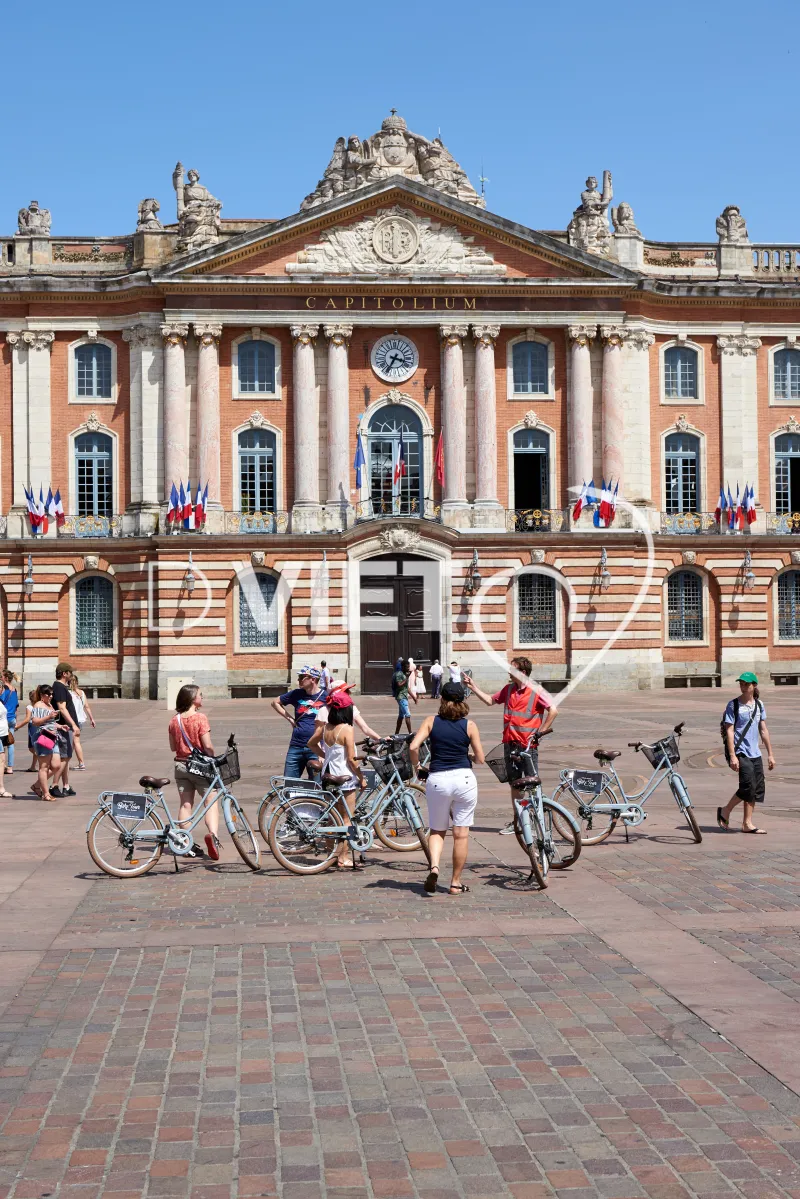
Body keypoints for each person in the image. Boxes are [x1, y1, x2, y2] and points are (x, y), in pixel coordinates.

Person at [410, 681, 485, 895]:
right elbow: (480, 758)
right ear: (462, 701)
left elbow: (414, 746)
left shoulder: (431, 721)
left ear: (442, 699)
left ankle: (434, 866)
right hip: (464, 779)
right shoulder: (469, 725)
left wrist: (417, 766)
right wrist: (468, 755)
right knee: (461, 833)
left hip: (438, 779)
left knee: (437, 830)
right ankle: (455, 883)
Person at [469, 657, 558, 835]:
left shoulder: (536, 690)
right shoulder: (509, 689)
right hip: (510, 744)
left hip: (527, 746)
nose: (509, 671)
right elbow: (489, 701)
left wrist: (540, 732)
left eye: (512, 668)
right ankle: (518, 822)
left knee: (532, 783)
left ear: (523, 673)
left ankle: (536, 821)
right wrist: (473, 687)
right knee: (515, 784)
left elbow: (553, 710)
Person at [307, 690, 364, 869]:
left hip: (328, 775)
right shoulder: (347, 729)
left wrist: (325, 755)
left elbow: (311, 744)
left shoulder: (325, 729)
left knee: (332, 818)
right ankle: (344, 857)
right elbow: (351, 760)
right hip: (344, 777)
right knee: (347, 818)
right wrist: (361, 777)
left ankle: (331, 855)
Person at [168, 683, 222, 860]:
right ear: (192, 698)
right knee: (211, 801)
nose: (202, 697)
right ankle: (213, 836)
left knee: (185, 804)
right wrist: (212, 757)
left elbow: (172, 747)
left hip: (180, 765)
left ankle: (186, 842)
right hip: (199, 767)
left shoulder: (174, 720)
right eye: (200, 694)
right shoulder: (200, 718)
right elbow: (207, 745)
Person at [718, 672, 776, 834]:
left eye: (747, 684)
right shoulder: (733, 705)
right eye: (741, 684)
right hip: (740, 751)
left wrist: (770, 754)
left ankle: (747, 823)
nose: (743, 687)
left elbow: (763, 730)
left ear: (754, 686)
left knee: (756, 788)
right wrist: (732, 756)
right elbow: (729, 731)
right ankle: (726, 810)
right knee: (747, 787)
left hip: (755, 752)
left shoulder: (759, 705)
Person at [272, 666, 327, 778]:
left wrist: (323, 751)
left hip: (316, 748)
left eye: (302, 677)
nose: (299, 680)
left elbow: (331, 724)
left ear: (312, 679)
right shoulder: (297, 694)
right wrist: (290, 719)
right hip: (296, 745)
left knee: (318, 788)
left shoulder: (326, 697)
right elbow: (275, 702)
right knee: (289, 784)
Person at [314, 680, 381, 742]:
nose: (349, 693)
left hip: (349, 750)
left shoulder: (351, 707)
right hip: (329, 752)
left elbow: (365, 728)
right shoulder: (323, 711)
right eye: (345, 691)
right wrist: (321, 754)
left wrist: (380, 739)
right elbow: (317, 737)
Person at [50, 663, 80, 798]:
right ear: (64, 673)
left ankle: (66, 785)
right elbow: (62, 708)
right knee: (65, 757)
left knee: (66, 758)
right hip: (63, 726)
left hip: (64, 726)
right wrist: (73, 724)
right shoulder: (59, 687)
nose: (71, 675)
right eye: (70, 672)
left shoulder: (60, 687)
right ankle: (53, 785)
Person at [29, 685, 63, 801]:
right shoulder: (38, 705)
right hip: (44, 738)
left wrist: (60, 726)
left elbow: (51, 722)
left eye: (52, 694)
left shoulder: (50, 705)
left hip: (53, 737)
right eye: (48, 694)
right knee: (44, 766)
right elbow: (35, 722)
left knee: (56, 765)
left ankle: (37, 785)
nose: (51, 696)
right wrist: (48, 716)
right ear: (42, 695)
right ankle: (46, 794)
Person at [69, 674, 95, 769]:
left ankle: (81, 763)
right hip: (80, 720)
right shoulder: (82, 693)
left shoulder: (68, 693)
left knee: (74, 742)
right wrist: (92, 719)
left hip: (71, 720)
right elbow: (87, 706)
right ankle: (66, 762)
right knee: (74, 742)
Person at [0, 669, 19, 774]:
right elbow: (16, 707)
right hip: (12, 719)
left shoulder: (4, 689)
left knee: (1, 743)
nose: (1, 678)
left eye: (2, 676)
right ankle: (10, 767)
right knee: (10, 742)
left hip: (4, 719)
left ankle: (2, 765)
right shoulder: (14, 689)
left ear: (6, 678)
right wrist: (16, 720)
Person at [393, 658, 417, 735]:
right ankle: (410, 734)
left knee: (401, 716)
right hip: (401, 697)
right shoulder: (399, 674)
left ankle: (396, 733)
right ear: (402, 666)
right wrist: (406, 678)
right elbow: (399, 684)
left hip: (404, 696)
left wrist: (414, 697)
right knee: (407, 714)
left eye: (408, 667)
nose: (408, 668)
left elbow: (407, 688)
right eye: (406, 667)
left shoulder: (404, 674)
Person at [15, 690, 37, 771]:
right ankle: (33, 766)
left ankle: (42, 760)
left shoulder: (29, 707)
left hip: (33, 727)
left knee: (32, 748)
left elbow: (27, 719)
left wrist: (18, 726)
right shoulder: (40, 705)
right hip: (39, 726)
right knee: (35, 748)